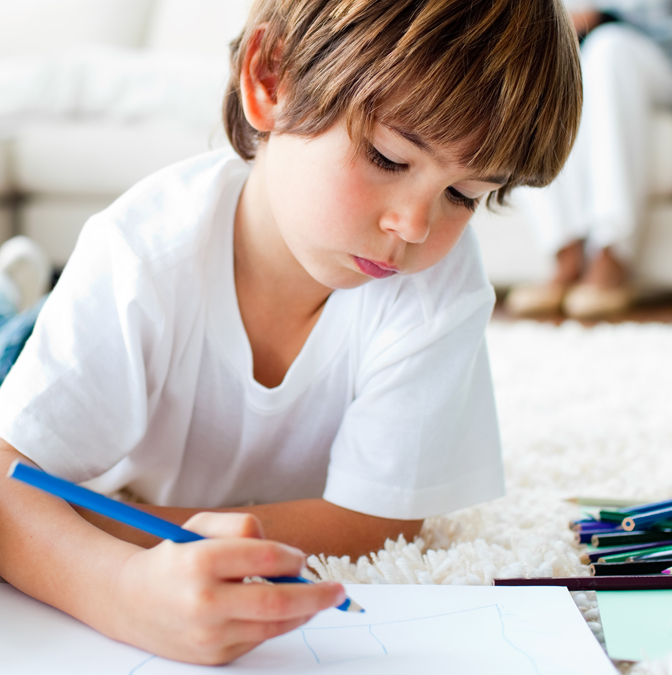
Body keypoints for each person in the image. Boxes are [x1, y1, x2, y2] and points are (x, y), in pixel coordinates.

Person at [0, 0, 581, 666]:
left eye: (464, 195)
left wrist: (136, 521)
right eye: (390, 158)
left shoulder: (438, 285)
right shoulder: (141, 254)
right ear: (269, 81)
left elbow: (378, 518)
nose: (416, 226)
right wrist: (120, 588)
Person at [505, 0, 672, 319]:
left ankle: (611, 254)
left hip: (645, 48)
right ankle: (564, 253)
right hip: (570, 38)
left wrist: (602, 17)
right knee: (534, 58)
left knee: (607, 50)